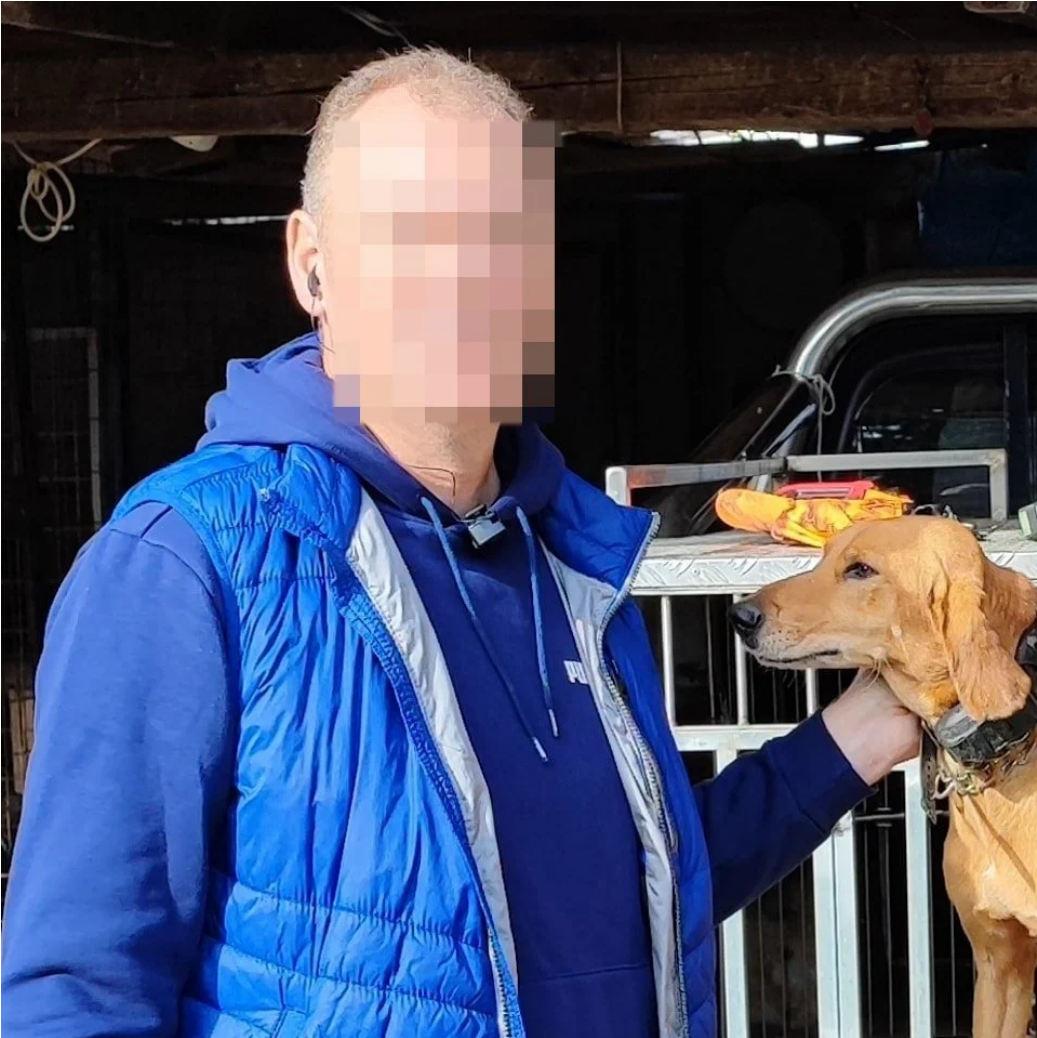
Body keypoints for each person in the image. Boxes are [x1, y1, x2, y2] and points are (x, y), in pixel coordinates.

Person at [0, 48, 920, 1038]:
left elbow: (636, 901)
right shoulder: (190, 560)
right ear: (312, 263)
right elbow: (75, 988)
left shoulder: (572, 564)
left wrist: (863, 730)